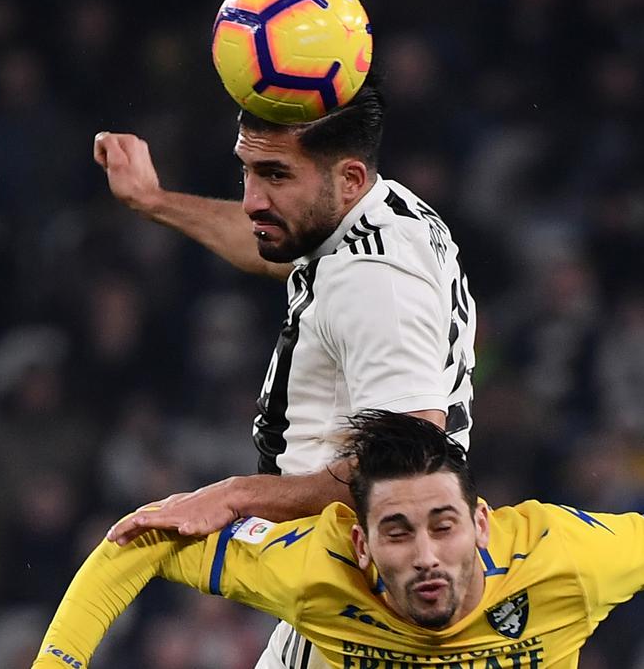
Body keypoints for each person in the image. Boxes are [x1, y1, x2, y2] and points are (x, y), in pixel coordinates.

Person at [33, 411, 644, 669]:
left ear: (479, 524)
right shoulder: (311, 571)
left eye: (444, 525)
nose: (427, 554)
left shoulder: (564, 556)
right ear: (361, 547)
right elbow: (136, 544)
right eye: (397, 532)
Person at [92, 84, 476, 667]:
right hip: (345, 591)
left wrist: (235, 497)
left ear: (346, 178)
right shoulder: (376, 215)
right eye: (247, 172)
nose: (251, 200)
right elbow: (272, 244)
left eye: (274, 175)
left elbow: (408, 470)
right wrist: (154, 200)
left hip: (362, 607)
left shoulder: (377, 283)